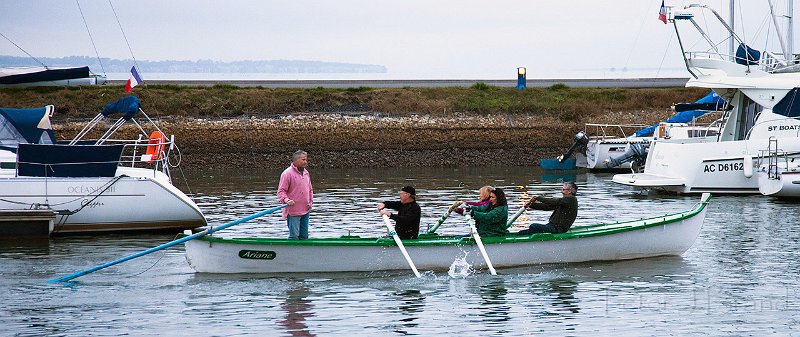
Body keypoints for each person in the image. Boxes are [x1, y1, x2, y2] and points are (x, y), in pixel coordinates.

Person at [277, 150, 314, 240]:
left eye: (306, 160)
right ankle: (290, 253)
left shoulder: (306, 173)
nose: (305, 162)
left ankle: (303, 253)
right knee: (294, 236)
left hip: (305, 209)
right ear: (296, 161)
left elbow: (310, 189)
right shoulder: (287, 174)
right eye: (303, 160)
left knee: (304, 236)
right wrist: (286, 200)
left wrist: (310, 202)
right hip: (293, 211)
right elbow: (281, 191)